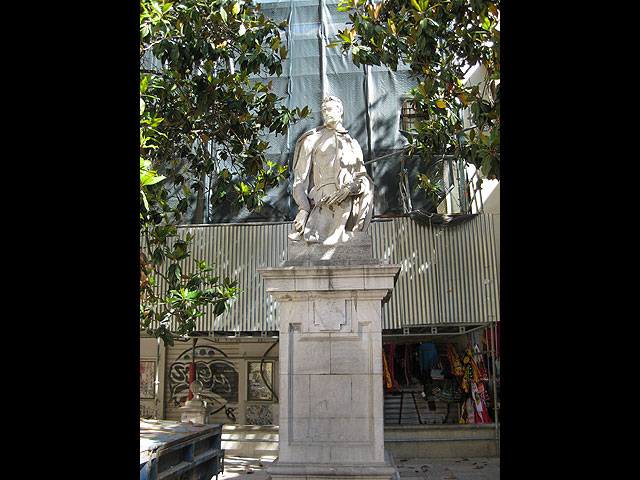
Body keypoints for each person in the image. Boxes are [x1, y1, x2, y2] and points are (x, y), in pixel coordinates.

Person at [288, 96, 374, 244]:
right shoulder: (312, 140)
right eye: (324, 110)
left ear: (340, 111)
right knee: (314, 243)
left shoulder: (352, 144)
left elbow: (362, 179)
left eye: (329, 109)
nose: (326, 113)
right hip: (322, 203)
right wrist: (303, 209)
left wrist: (349, 189)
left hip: (347, 205)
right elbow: (300, 179)